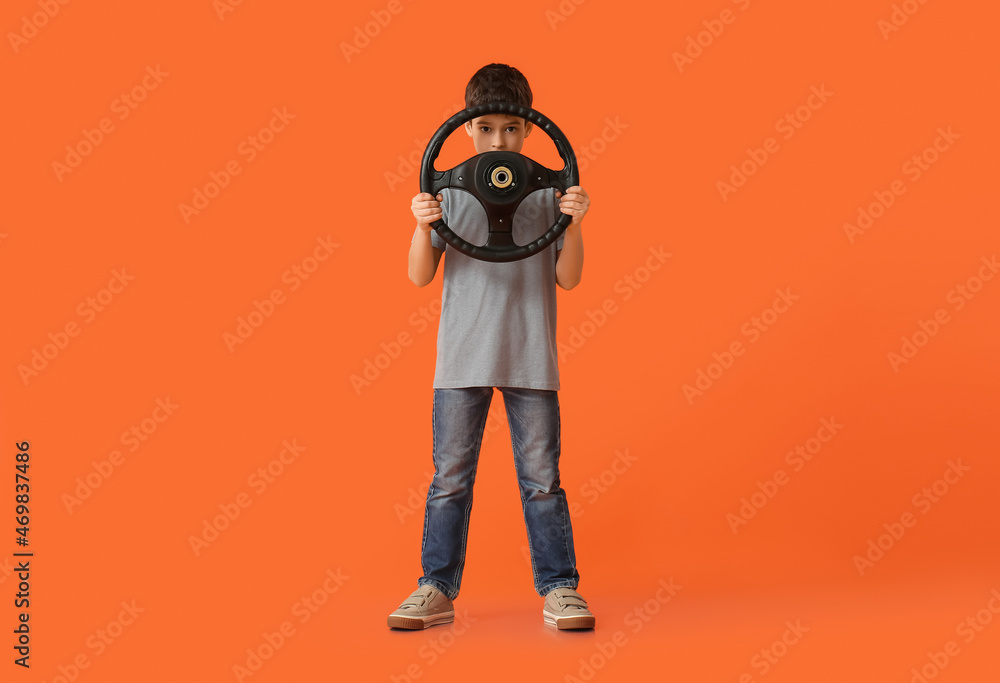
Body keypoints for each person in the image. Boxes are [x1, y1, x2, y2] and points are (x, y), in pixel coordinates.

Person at [388, 63, 594, 631]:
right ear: (465, 130)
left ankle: (560, 589)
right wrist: (420, 221)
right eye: (485, 129)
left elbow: (570, 279)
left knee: (542, 480)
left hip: (531, 355)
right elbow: (419, 275)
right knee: (449, 477)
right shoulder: (449, 190)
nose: (498, 141)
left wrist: (573, 222)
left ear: (530, 131)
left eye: (510, 128)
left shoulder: (546, 193)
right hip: (461, 355)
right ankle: (436, 587)